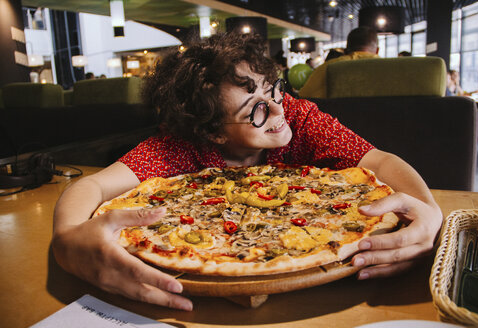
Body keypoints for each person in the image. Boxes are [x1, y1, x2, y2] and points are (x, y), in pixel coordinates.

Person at [52, 32, 442, 311]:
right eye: (253, 109)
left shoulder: (299, 118)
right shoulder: (181, 147)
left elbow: (382, 163)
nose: (277, 110)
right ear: (212, 133)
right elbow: (90, 187)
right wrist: (68, 241)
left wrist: (430, 214)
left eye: (272, 88)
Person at [299, 26, 380, 98]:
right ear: (377, 50)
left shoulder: (327, 68)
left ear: (346, 50)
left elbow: (304, 96)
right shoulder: (389, 69)